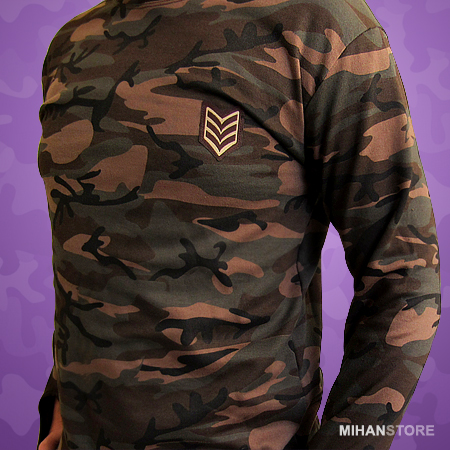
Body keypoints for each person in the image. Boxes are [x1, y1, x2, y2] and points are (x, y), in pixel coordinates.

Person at [36, 0, 441, 449]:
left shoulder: (322, 27)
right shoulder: (73, 44)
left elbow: (406, 276)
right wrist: (58, 404)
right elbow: (89, 252)